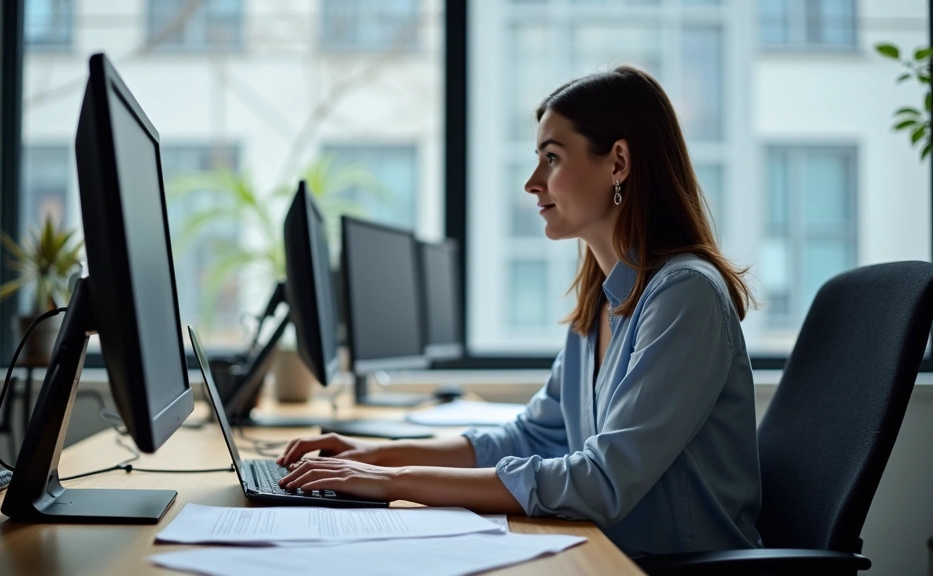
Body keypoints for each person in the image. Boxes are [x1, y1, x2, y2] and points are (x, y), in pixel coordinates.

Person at [276, 66, 762, 557]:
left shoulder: (685, 294)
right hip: (608, 554)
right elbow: (529, 435)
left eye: (552, 158)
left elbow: (603, 481)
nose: (532, 183)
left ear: (618, 163)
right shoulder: (601, 303)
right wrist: (373, 455)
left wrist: (393, 481)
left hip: (675, 567)